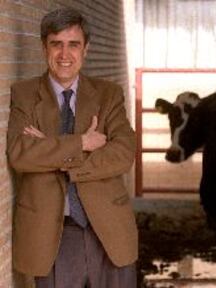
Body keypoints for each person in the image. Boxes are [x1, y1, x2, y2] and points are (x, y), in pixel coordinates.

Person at [7, 8, 137, 288]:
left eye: (73, 44)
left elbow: (124, 153)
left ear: (86, 49)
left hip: (109, 229)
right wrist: (82, 143)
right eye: (56, 44)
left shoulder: (108, 94)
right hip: (53, 234)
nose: (65, 54)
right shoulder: (25, 94)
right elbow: (20, 154)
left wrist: (56, 154)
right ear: (44, 47)